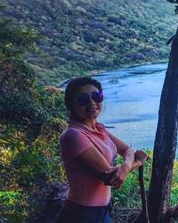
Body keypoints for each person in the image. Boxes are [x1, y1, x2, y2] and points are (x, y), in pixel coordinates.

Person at [56, 77, 148, 223]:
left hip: (101, 210)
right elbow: (109, 177)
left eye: (96, 96)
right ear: (70, 105)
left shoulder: (98, 129)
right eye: (83, 99)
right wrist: (138, 162)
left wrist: (125, 166)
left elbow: (127, 149)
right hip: (81, 214)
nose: (92, 103)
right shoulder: (74, 135)